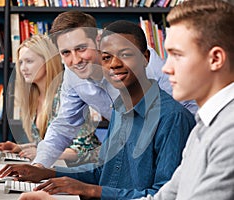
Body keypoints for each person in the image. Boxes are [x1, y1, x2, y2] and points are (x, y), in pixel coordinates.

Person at [0, 20, 196, 199]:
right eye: (107, 58)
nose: (115, 64)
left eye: (126, 55)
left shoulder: (173, 118)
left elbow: (165, 195)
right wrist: (48, 172)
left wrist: (91, 191)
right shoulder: (119, 109)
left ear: (145, 58)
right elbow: (105, 172)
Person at [30, 11, 197, 169]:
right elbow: (64, 125)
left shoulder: (143, 63)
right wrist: (39, 166)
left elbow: (184, 114)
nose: (75, 60)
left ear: (98, 40)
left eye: (81, 48)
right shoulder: (72, 75)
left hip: (177, 147)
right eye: (66, 53)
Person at [137, 0, 234, 199]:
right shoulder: (203, 125)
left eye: (177, 55)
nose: (165, 68)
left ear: (215, 59)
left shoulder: (229, 133)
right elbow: (166, 197)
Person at [0, 34, 101, 166]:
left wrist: (42, 153)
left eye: (29, 61)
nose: (23, 68)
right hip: (56, 171)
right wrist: (22, 148)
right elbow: (51, 141)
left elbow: (85, 150)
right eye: (21, 62)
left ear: (47, 62)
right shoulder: (33, 98)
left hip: (86, 174)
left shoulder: (68, 97)